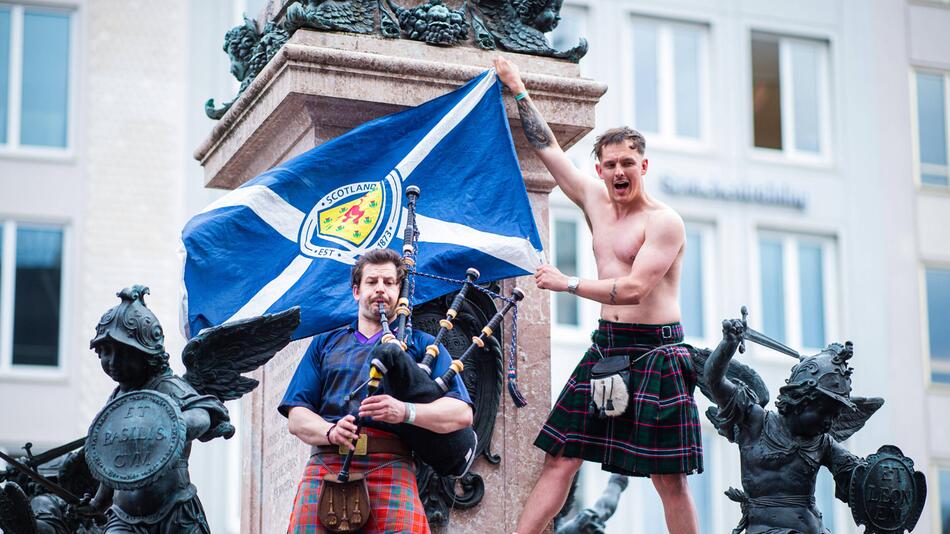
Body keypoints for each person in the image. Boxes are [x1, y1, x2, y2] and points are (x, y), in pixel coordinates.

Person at [493, 57, 703, 534]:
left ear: (643, 165)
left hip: (657, 352)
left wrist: (566, 282)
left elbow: (633, 289)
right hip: (607, 348)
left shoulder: (664, 222)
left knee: (668, 478)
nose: (618, 172)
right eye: (610, 165)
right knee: (561, 458)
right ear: (601, 169)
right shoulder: (594, 201)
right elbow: (548, 150)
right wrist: (518, 88)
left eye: (628, 163)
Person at [279, 247, 474, 533]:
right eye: (372, 282)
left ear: (399, 291)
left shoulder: (423, 345)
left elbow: (460, 414)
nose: (380, 289)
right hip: (328, 464)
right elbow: (297, 416)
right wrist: (331, 432)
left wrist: (404, 411)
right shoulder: (326, 344)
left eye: (389, 282)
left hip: (391, 466)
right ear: (356, 291)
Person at [81, 286, 231, 533]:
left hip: (174, 510)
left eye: (123, 353)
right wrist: (99, 501)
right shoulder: (117, 399)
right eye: (105, 353)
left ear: (146, 355)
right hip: (123, 514)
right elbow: (112, 465)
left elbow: (201, 414)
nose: (113, 363)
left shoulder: (166, 386)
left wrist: (171, 425)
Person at [705, 319, 861, 533]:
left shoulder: (822, 442)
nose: (829, 423)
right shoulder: (755, 421)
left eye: (834, 416)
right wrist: (728, 343)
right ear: (801, 400)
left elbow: (857, 476)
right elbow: (714, 380)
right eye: (824, 413)